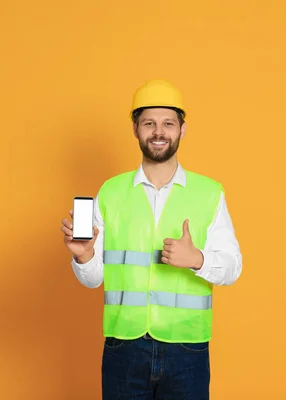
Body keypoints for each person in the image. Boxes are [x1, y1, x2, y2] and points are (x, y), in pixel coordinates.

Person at [60, 79, 242, 399]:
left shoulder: (210, 193)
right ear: (135, 129)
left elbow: (233, 267)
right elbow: (93, 280)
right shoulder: (111, 192)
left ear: (182, 129)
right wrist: (84, 256)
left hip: (187, 349)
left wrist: (197, 259)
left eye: (168, 123)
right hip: (123, 347)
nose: (159, 132)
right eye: (149, 123)